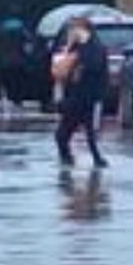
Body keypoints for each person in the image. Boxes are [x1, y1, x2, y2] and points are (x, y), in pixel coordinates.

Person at [54, 16, 110, 169]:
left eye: (75, 28)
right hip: (74, 96)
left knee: (82, 132)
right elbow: (62, 66)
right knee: (66, 133)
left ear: (84, 30)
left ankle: (94, 160)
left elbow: (94, 66)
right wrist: (68, 49)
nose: (71, 32)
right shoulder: (75, 46)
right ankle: (71, 160)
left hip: (87, 96)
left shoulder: (95, 47)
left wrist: (78, 64)